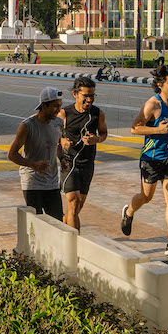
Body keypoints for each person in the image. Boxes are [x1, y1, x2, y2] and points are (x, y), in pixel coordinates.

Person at [120, 65, 168, 257]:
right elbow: (135, 128)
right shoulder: (153, 104)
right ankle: (128, 212)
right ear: (160, 84)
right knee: (146, 197)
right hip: (151, 159)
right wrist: (157, 131)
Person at [7, 86, 66, 220]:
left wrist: (62, 159)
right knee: (37, 223)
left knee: (58, 222)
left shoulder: (59, 123)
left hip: (52, 182)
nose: (59, 110)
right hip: (32, 182)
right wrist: (33, 164)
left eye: (60, 106)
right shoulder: (28, 125)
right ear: (44, 105)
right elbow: (12, 154)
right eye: (55, 106)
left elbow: (56, 145)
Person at [58, 77, 108, 231]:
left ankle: (61, 230)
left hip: (87, 165)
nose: (89, 99)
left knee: (76, 208)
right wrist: (62, 141)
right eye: (85, 95)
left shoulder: (97, 113)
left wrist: (96, 139)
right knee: (73, 202)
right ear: (75, 94)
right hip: (68, 163)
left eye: (92, 95)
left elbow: (104, 133)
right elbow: (52, 134)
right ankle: (75, 246)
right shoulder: (64, 113)